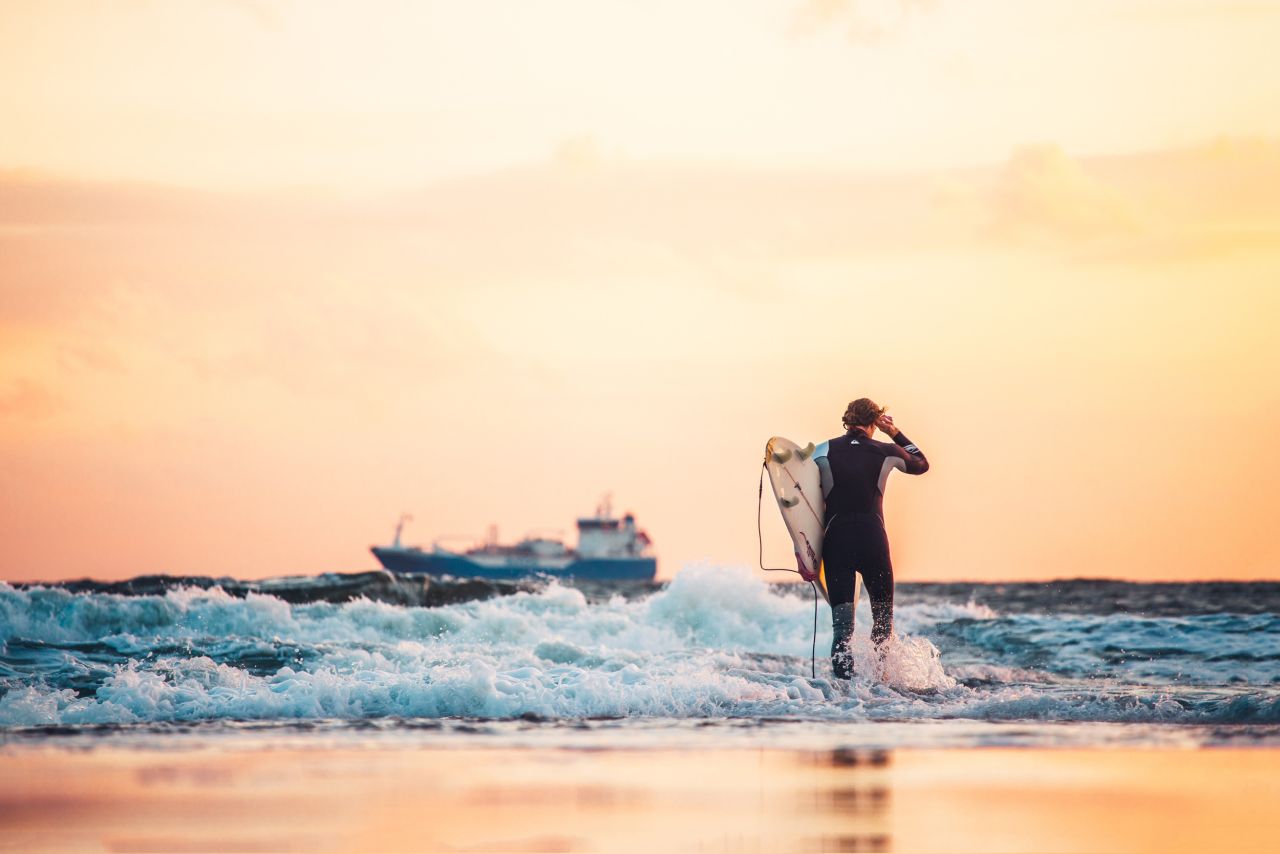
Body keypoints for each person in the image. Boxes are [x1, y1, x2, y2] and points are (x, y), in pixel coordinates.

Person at [809, 398, 929, 679]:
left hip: (836, 543)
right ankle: (881, 689)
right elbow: (922, 464)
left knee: (842, 630)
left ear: (846, 420)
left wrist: (804, 552)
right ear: (874, 422)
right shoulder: (885, 449)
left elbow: (795, 491)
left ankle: (845, 696)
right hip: (873, 542)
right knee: (883, 626)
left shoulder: (821, 451)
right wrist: (895, 432)